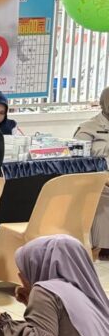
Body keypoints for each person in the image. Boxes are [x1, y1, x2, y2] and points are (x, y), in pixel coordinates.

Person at [74, 87, 109, 259]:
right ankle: (103, 246)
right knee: (103, 193)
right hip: (99, 176)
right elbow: (78, 158)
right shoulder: (89, 127)